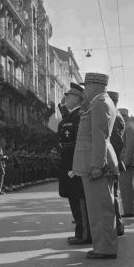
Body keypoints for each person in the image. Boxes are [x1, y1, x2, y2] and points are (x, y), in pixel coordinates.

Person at [72, 72, 119, 259]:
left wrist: (97, 166)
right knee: (98, 208)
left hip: (97, 164)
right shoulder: (98, 103)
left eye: (86, 87)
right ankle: (102, 245)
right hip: (93, 162)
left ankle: (105, 248)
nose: (84, 91)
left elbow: (100, 137)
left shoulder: (100, 104)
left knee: (100, 209)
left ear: (94, 87)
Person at [58, 83, 91, 245]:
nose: (66, 98)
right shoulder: (71, 116)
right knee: (73, 198)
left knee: (79, 199)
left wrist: (76, 166)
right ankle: (81, 231)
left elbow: (81, 143)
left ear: (78, 98)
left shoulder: (80, 116)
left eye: (69, 95)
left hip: (75, 165)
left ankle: (84, 234)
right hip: (68, 165)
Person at [107, 91, 126, 236]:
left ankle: (117, 226)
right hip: (114, 160)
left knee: (113, 194)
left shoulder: (116, 117)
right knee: (113, 194)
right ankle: (117, 225)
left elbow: (116, 142)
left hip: (112, 161)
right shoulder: (117, 116)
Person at [119, 108, 134, 219]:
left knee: (126, 188)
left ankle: (130, 211)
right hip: (124, 162)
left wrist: (124, 162)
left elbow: (130, 147)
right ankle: (128, 210)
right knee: (124, 188)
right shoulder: (123, 127)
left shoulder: (128, 128)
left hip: (127, 163)